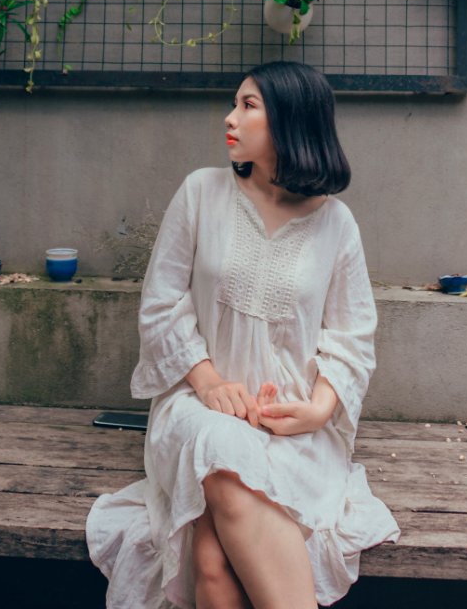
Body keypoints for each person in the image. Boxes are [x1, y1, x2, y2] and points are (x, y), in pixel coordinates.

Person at [87, 61, 399, 609]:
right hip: (196, 409)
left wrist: (320, 411)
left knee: (209, 562)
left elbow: (353, 337)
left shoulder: (336, 224)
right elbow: (160, 305)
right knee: (220, 442)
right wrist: (208, 384)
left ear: (291, 120)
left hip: (291, 430)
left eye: (248, 106)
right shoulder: (200, 193)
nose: (230, 118)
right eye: (235, 103)